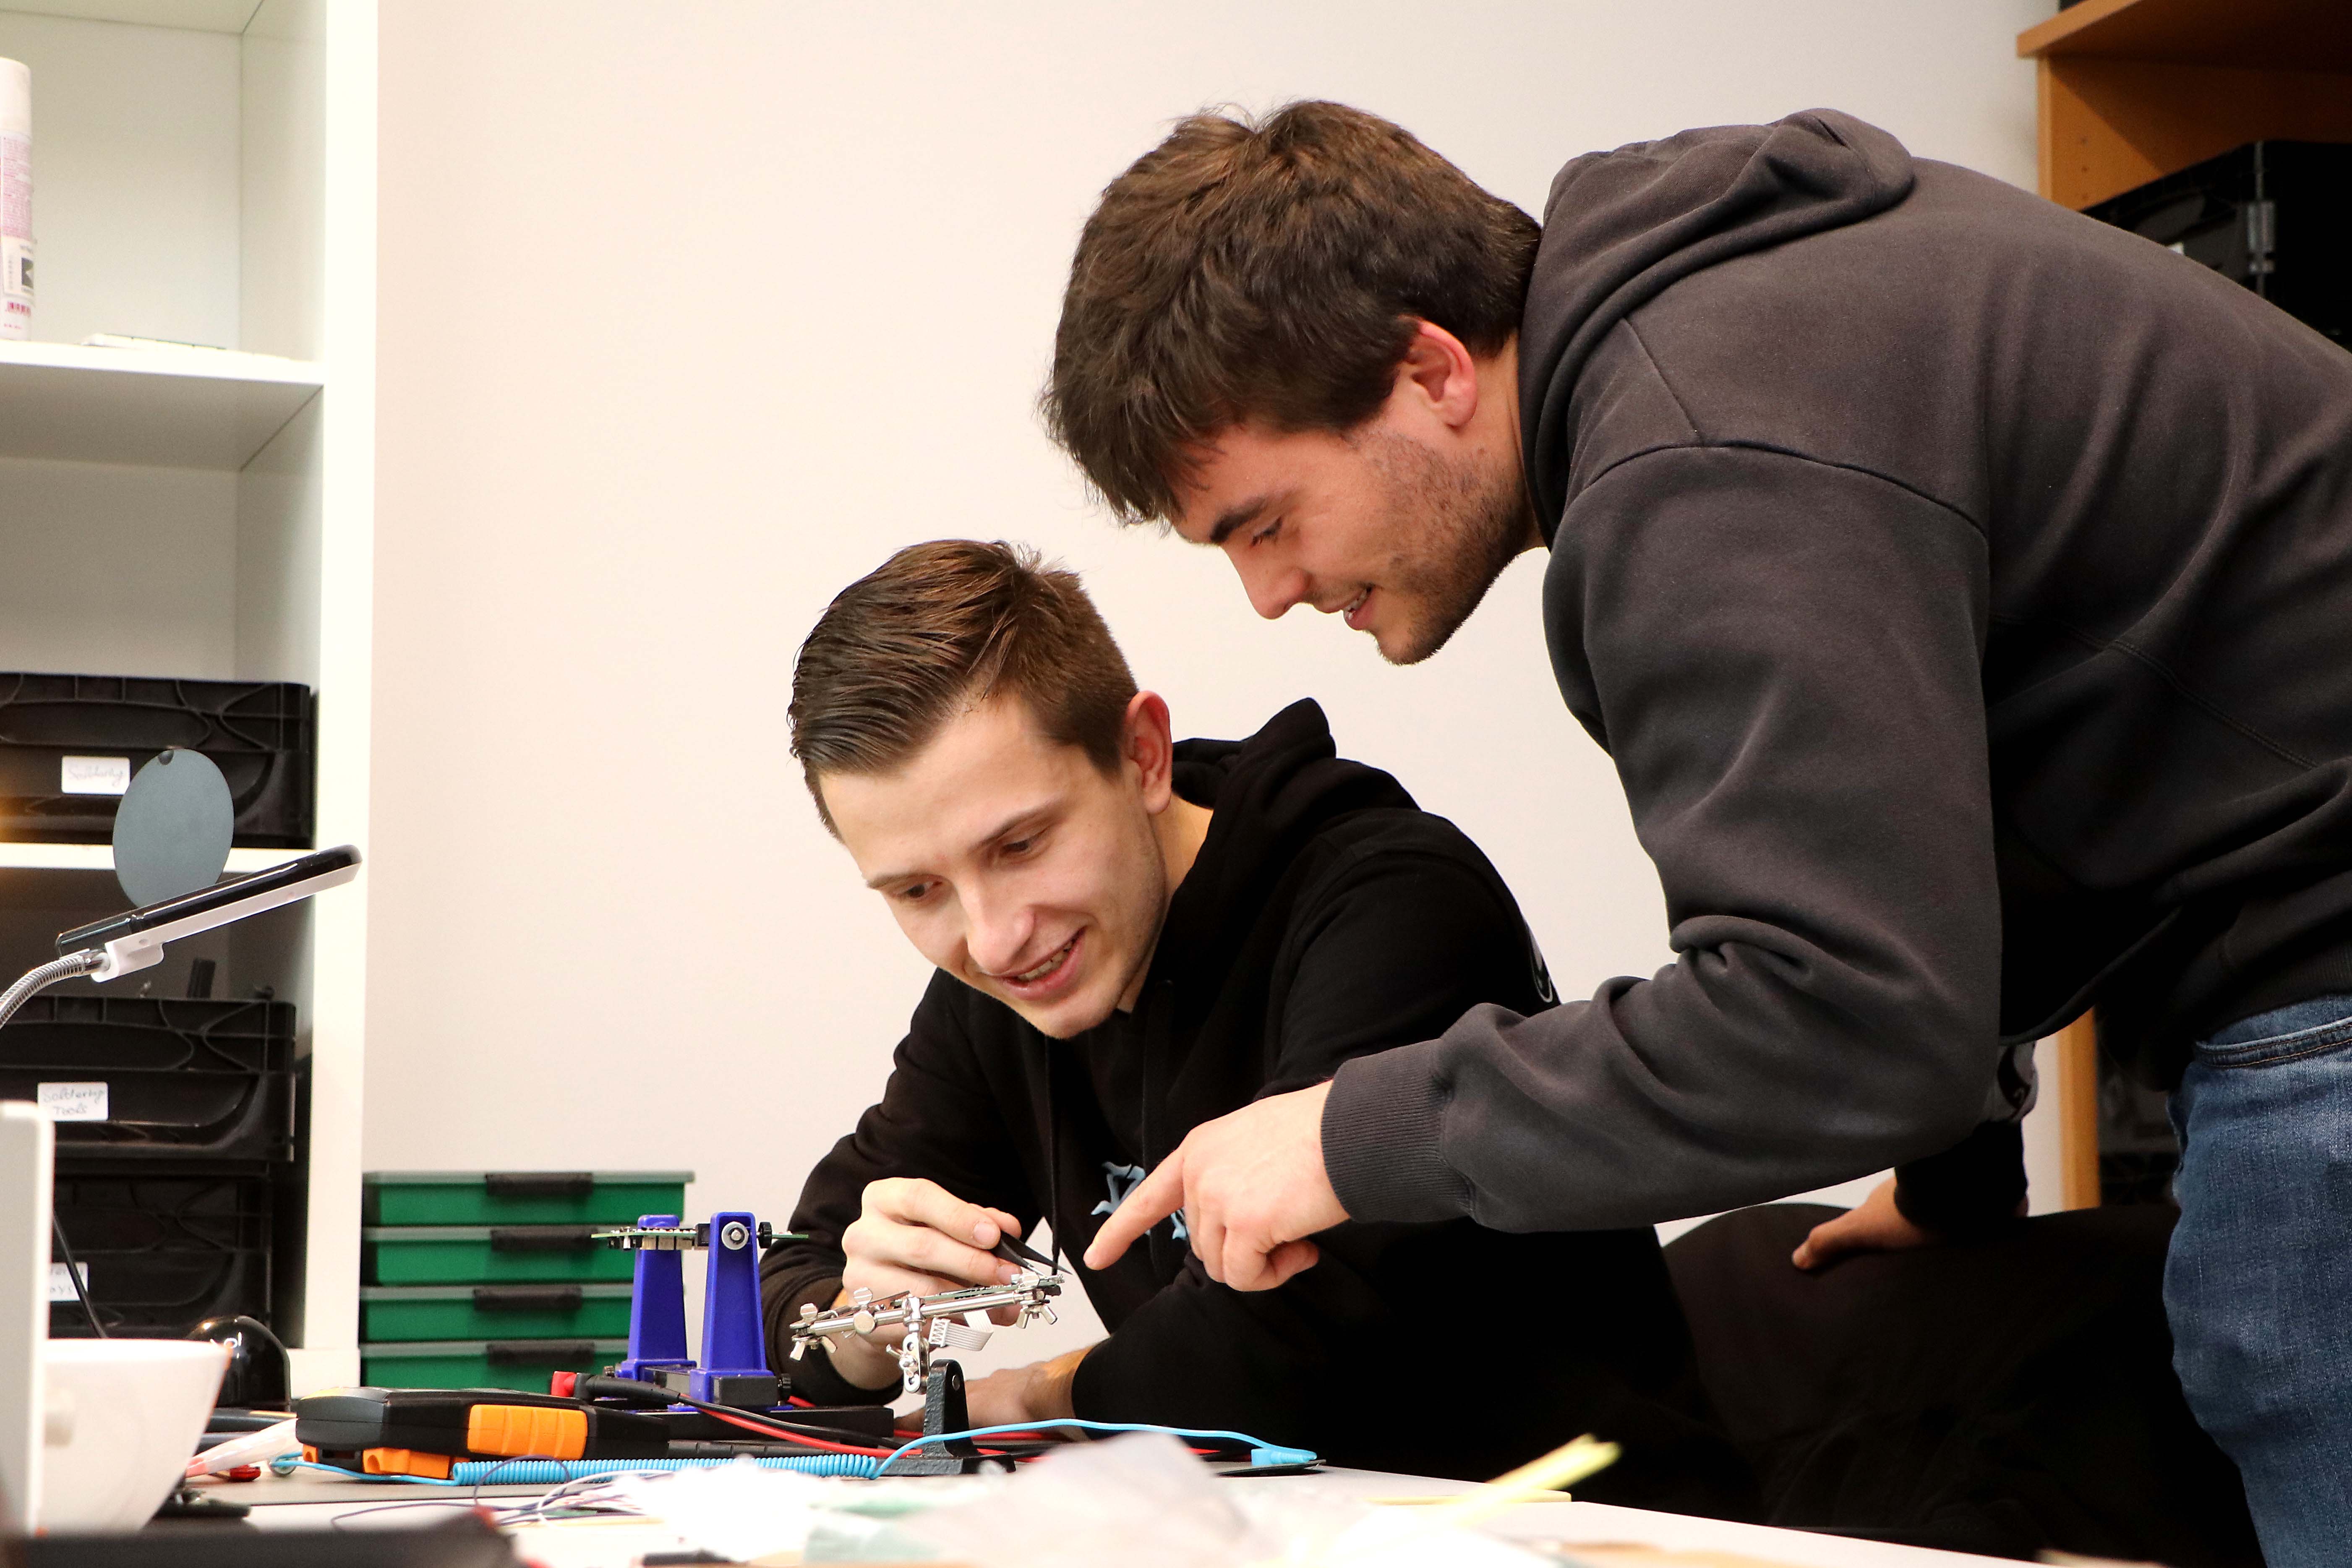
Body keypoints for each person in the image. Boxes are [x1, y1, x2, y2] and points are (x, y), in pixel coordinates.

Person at [1046, 102, 2352, 1563]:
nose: (1267, 594)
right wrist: (1951, 1170)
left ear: (1427, 370)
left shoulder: (1698, 454)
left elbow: (1827, 1007)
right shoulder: (1730, 335)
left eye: (1261, 520)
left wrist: (1347, 1132)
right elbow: (1944, 811)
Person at [757, 538, 1749, 1500]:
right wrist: (858, 1330)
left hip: (1580, 1532)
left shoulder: (1389, 902)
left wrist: (1035, 1392)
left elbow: (1281, 1355)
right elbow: (791, 1274)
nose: (993, 938)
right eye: (919, 890)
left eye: (1020, 845)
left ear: (1141, 756)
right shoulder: (1005, 991)